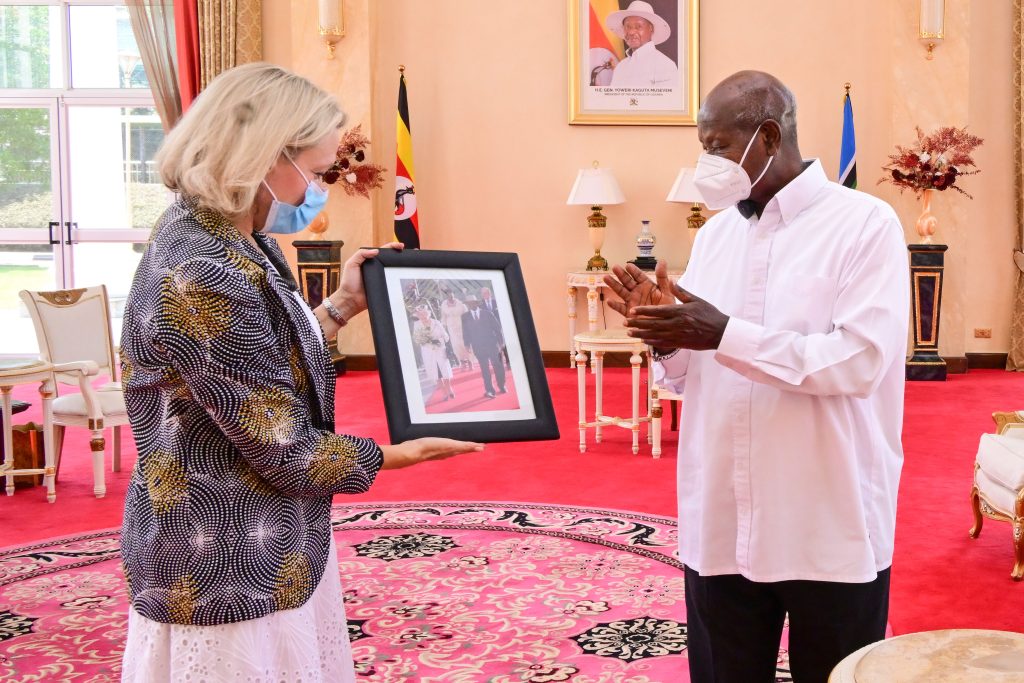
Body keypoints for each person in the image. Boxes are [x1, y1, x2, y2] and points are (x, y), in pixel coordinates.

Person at [117, 62, 482, 682]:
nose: (317, 190)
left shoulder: (224, 233)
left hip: (256, 532)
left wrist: (339, 308)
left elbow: (251, 359)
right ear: (263, 156)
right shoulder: (206, 266)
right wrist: (397, 455)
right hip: (227, 550)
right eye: (314, 172)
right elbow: (280, 444)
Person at [604, 70, 910, 683]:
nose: (706, 162)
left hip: (826, 516)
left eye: (716, 145)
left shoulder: (866, 225)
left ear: (767, 136)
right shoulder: (717, 234)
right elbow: (697, 377)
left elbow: (858, 360)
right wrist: (667, 334)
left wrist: (721, 331)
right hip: (722, 515)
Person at [605, 0, 678, 88]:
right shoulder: (620, 67)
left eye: (638, 26)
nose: (631, 32)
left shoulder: (665, 65)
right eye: (628, 27)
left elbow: (667, 101)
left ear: (651, 28)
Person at [461, 295, 506, 399]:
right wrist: (467, 344)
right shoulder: (464, 317)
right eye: (469, 303)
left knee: (498, 366)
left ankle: (501, 385)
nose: (471, 305)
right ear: (467, 305)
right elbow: (465, 331)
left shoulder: (487, 313)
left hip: (492, 344)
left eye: (473, 303)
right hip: (478, 346)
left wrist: (501, 342)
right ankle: (489, 390)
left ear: (477, 303)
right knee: (484, 369)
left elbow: (497, 328)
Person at [412, 304, 456, 400]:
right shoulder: (417, 325)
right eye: (420, 314)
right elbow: (417, 339)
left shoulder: (436, 322)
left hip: (440, 350)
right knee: (436, 374)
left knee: (445, 371)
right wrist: (429, 342)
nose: (423, 316)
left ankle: (449, 388)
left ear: (429, 313)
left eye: (424, 314)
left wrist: (439, 341)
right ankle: (444, 392)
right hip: (428, 353)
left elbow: (446, 337)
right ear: (418, 316)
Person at [479, 286, 510, 368]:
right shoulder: (480, 306)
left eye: (487, 292)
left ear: (490, 293)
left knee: (503, 344)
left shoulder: (497, 302)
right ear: (482, 295)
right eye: (484, 293)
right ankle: (499, 364)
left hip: (500, 327)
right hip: (489, 330)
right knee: (495, 347)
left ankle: (508, 362)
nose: (486, 294)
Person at [440, 289, 471, 370]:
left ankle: (470, 361)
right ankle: (462, 362)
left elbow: (466, 315)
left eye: (452, 294)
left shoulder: (460, 304)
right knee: (456, 345)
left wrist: (468, 325)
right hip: (451, 327)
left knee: (464, 343)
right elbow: (443, 316)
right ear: (446, 296)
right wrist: (443, 327)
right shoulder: (443, 305)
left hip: (461, 325)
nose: (450, 296)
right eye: (448, 294)